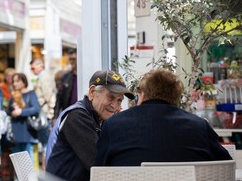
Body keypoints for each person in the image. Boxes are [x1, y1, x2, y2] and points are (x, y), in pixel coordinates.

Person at [94, 68, 232, 167]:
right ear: (176, 98)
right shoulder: (200, 126)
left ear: (142, 95)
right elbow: (226, 166)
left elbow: (99, 171)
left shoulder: (112, 125)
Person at [46, 70, 134, 181]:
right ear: (92, 92)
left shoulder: (97, 118)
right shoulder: (77, 117)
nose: (115, 106)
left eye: (119, 100)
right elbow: (100, 165)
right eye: (111, 97)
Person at [6, 72, 40, 163]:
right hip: (15, 132)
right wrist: (13, 110)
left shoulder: (31, 94)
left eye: (17, 81)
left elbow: (36, 109)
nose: (14, 84)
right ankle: (20, 178)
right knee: (18, 162)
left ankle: (29, 178)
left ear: (24, 82)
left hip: (27, 131)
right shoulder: (14, 95)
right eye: (13, 81)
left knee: (28, 160)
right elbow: (8, 111)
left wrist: (21, 112)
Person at [30, 58, 56, 168]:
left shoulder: (45, 77)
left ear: (41, 66)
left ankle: (48, 170)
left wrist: (50, 112)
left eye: (33, 68)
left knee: (46, 144)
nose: (32, 70)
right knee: (45, 144)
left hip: (45, 114)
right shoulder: (41, 77)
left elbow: (47, 96)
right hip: (44, 113)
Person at [53, 49, 78, 124]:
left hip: (85, 115)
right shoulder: (65, 77)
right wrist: (55, 117)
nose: (71, 62)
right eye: (70, 59)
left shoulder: (86, 76)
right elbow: (59, 98)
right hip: (69, 116)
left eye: (74, 59)